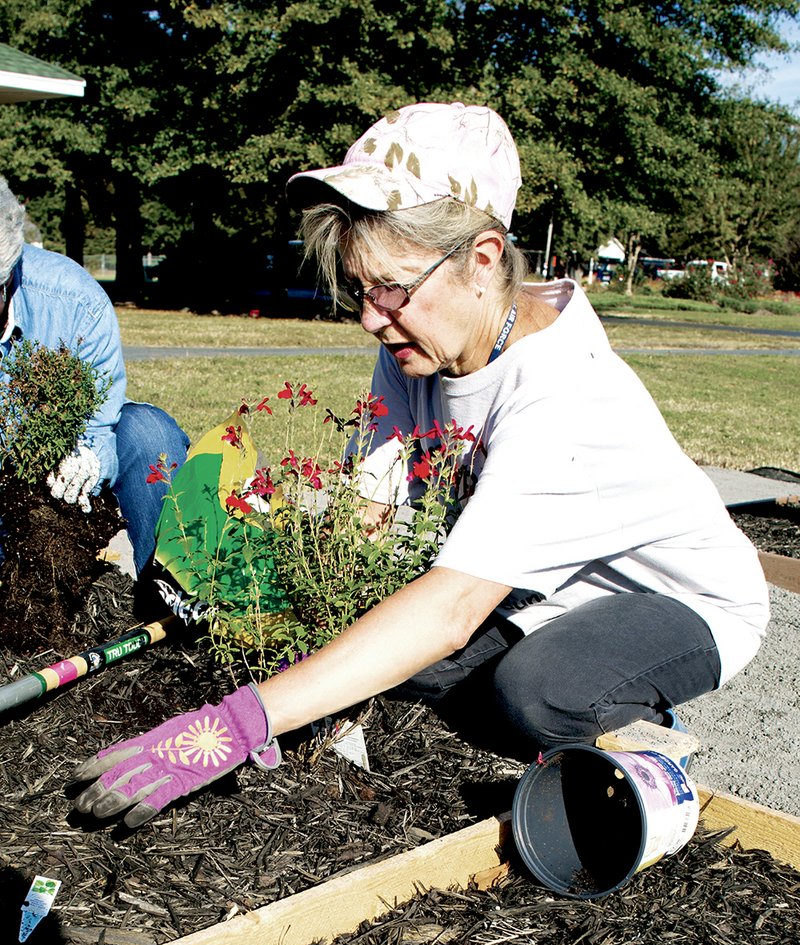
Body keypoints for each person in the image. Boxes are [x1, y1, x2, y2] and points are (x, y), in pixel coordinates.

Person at [72, 101, 770, 828]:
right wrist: (301, 644)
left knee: (534, 695)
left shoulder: (566, 397)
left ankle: (654, 753)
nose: (373, 317)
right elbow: (369, 519)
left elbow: (450, 609)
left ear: (484, 257)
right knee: (403, 664)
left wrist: (238, 725)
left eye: (394, 289)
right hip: (539, 586)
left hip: (673, 601)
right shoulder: (419, 348)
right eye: (359, 289)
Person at [0, 176, 189, 577]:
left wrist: (83, 458)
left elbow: (97, 428)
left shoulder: (73, 303)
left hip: (51, 481)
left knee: (148, 434)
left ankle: (168, 596)